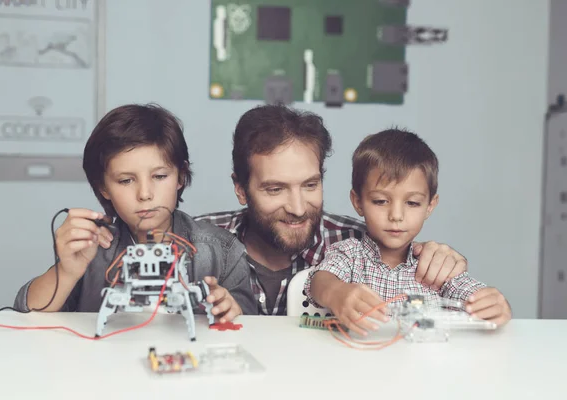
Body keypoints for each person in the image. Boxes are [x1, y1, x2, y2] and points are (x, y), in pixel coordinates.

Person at [195, 104, 469, 316]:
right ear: (241, 188)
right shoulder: (197, 242)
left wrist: (440, 259)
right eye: (275, 189)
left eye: (310, 185)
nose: (298, 208)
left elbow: (403, 255)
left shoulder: (360, 242)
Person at [13, 103, 257, 322]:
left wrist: (230, 307)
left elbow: (253, 321)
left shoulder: (221, 250)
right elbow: (27, 315)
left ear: (180, 177)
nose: (145, 194)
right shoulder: (92, 249)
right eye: (126, 180)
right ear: (103, 187)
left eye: (160, 176)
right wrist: (66, 271)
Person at [305, 128, 512, 335]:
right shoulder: (349, 254)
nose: (396, 215)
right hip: (360, 360)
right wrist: (336, 292)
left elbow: (472, 294)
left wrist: (494, 304)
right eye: (380, 201)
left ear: (430, 206)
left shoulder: (434, 266)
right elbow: (320, 280)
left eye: (412, 203)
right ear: (358, 202)